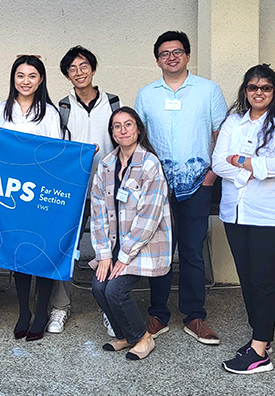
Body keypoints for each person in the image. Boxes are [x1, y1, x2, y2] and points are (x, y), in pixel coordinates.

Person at [134, 30, 227, 345]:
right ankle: (158, 314)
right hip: (157, 186)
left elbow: (221, 134)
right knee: (159, 249)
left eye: (176, 51)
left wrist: (212, 175)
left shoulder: (208, 91)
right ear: (157, 59)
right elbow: (138, 139)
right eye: (164, 53)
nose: (170, 57)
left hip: (199, 183)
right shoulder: (147, 95)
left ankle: (194, 316)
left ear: (187, 55)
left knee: (192, 250)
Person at [212, 64, 275, 374]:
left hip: (274, 215)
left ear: (274, 92)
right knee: (248, 277)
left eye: (265, 88)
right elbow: (217, 162)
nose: (258, 93)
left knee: (264, 280)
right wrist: (248, 171)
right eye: (253, 87)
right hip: (237, 213)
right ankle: (260, 337)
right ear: (245, 90)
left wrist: (239, 163)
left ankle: (260, 352)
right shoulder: (233, 121)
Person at [90, 107, 171, 361]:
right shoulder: (105, 165)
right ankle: (125, 334)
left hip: (143, 244)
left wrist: (124, 256)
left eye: (128, 124)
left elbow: (149, 216)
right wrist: (104, 254)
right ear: (112, 133)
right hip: (114, 245)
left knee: (115, 290)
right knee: (98, 287)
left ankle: (143, 337)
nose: (122, 130)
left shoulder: (150, 164)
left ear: (138, 129)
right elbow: (98, 211)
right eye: (117, 126)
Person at [51, 45, 122, 336]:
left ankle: (111, 307)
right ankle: (60, 306)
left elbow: (123, 140)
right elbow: (57, 148)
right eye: (72, 69)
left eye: (83, 66)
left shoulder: (114, 102)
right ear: (67, 75)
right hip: (73, 188)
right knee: (65, 246)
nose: (79, 72)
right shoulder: (62, 107)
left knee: (110, 248)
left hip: (108, 188)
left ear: (93, 69)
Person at [0, 55, 61, 341]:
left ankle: (42, 311)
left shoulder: (50, 113)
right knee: (19, 252)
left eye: (32, 76)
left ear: (41, 80)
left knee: (41, 252)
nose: (25, 81)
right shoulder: (1, 110)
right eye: (20, 75)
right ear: (13, 78)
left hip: (41, 193)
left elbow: (57, 153)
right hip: (12, 192)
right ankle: (24, 311)